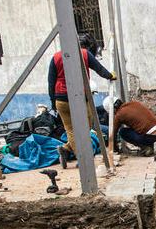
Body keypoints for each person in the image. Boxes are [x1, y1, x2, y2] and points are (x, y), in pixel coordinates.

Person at [48, 34, 116, 168]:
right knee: (83, 127)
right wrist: (110, 76)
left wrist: (52, 103)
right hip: (80, 97)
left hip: (61, 98)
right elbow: (99, 69)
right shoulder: (84, 54)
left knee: (74, 129)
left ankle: (66, 148)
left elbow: (51, 83)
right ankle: (84, 159)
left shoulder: (55, 57)